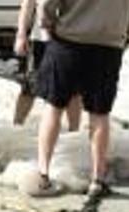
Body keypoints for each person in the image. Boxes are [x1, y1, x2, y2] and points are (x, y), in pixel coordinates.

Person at [36, 0, 129, 201]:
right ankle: (97, 179)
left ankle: (43, 173)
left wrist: (48, 23)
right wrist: (124, 31)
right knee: (99, 114)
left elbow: (48, 3)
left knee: (53, 107)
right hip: (108, 45)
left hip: (68, 40)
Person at [14, 0, 82, 196]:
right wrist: (21, 34)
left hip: (70, 39)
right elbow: (27, 5)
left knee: (73, 90)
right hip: (41, 40)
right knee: (29, 86)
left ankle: (73, 135)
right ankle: (16, 128)